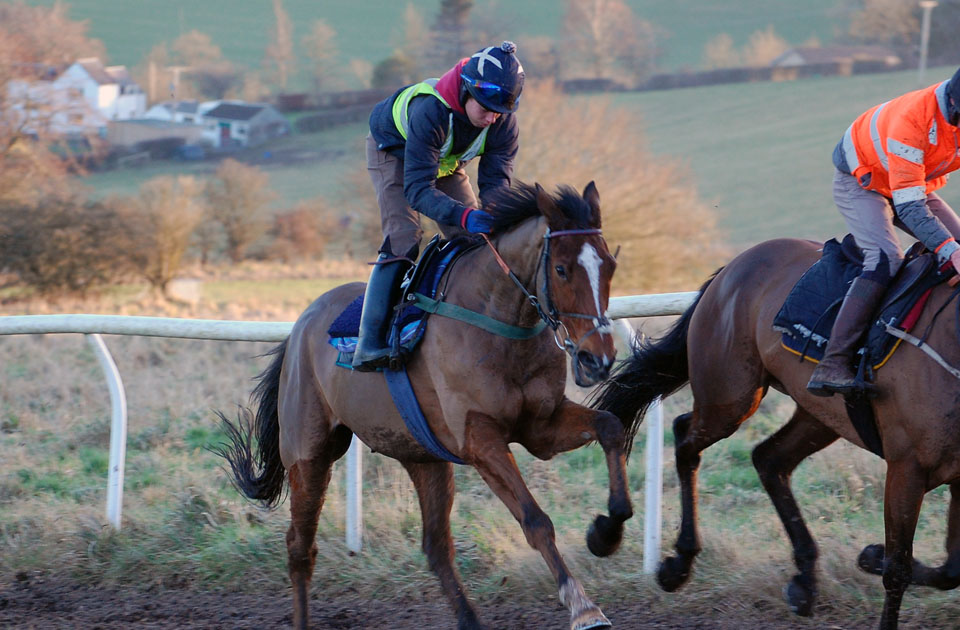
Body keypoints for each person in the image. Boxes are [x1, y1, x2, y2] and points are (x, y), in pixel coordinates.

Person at [352, 41, 524, 371]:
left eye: (499, 112)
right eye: (485, 108)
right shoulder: (431, 110)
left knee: (476, 240)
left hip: (444, 158)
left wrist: (494, 219)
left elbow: (496, 188)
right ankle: (369, 343)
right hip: (393, 150)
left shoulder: (503, 122)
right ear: (466, 92)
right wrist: (463, 214)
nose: (491, 118)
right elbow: (417, 190)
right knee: (404, 236)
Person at [807, 66, 960, 397]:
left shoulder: (952, 109)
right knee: (885, 258)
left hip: (910, 182)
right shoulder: (914, 121)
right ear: (954, 105)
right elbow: (909, 209)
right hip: (862, 180)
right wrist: (951, 251)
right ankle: (833, 362)